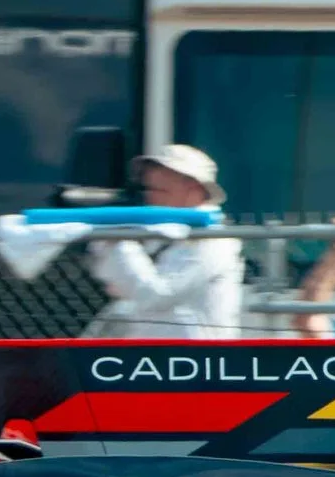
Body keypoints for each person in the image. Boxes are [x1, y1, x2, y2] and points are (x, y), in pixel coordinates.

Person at [86, 144, 244, 337]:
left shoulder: (212, 240)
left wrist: (119, 242)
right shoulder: (164, 234)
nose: (149, 197)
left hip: (198, 360)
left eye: (160, 190)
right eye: (148, 189)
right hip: (158, 356)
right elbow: (119, 288)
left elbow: (158, 295)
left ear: (193, 188)